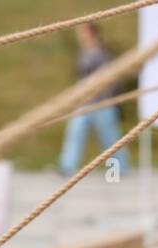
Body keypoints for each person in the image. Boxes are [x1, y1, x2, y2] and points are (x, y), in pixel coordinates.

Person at [56, 24, 129, 177]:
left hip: (102, 102)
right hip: (85, 103)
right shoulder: (84, 52)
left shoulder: (102, 53)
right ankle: (67, 166)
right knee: (75, 133)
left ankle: (117, 169)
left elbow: (107, 79)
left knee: (110, 138)